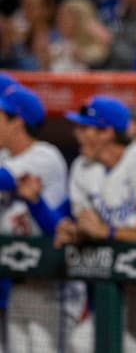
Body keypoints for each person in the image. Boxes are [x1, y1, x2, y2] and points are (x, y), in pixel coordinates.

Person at [56, 95, 136, 353]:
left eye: (85, 128)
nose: (77, 133)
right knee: (82, 341)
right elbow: (87, 225)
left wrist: (108, 231)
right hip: (120, 284)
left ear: (107, 132)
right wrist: (74, 232)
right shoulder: (82, 169)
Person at [0, 84, 84, 353]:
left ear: (17, 122)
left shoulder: (44, 156)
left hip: (53, 283)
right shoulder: (4, 156)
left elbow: (5, 178)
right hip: (19, 280)